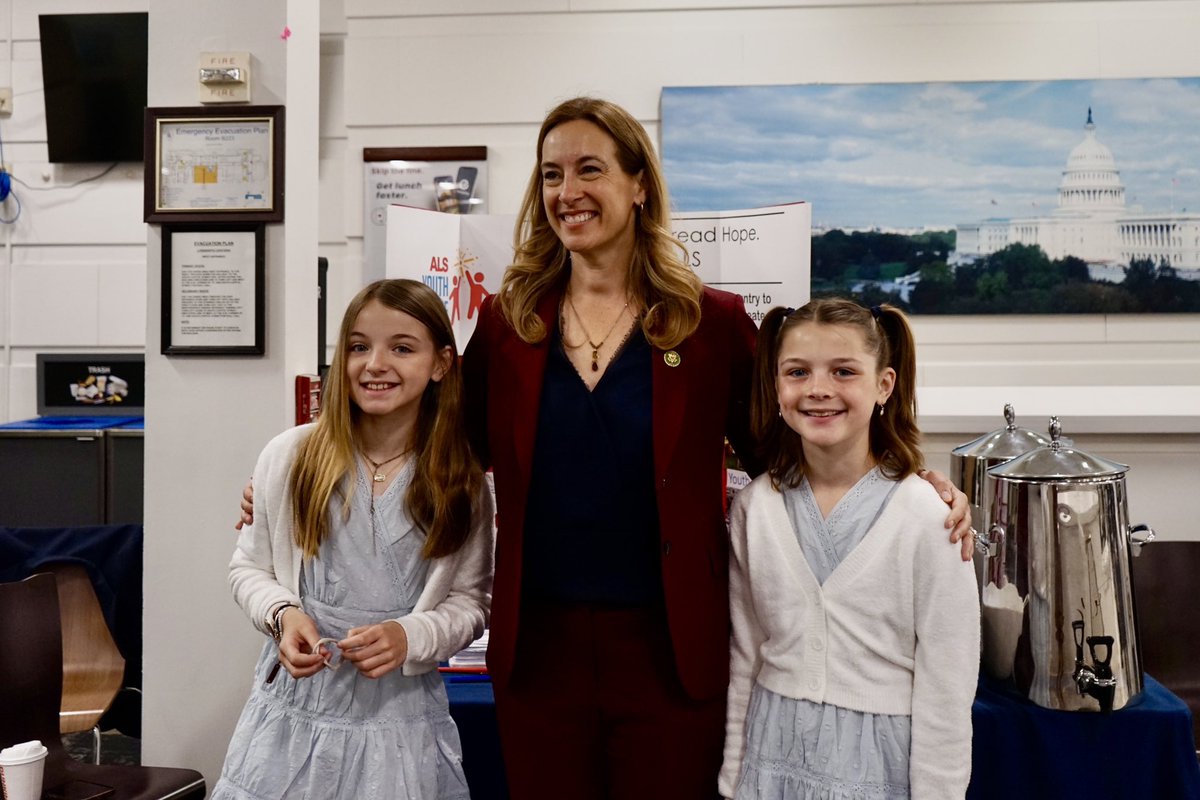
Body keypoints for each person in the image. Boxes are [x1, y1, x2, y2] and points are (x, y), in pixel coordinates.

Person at [237, 98, 973, 800]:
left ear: (639, 186)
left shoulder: (707, 324)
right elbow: (436, 442)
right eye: (552, 174)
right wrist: (294, 471)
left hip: (668, 649)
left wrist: (908, 480)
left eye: (590, 169)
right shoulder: (509, 323)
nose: (568, 191)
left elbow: (788, 447)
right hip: (540, 650)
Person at [214, 279, 495, 800]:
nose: (375, 364)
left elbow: (471, 602)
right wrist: (282, 614)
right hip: (295, 715)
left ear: (441, 364)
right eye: (359, 346)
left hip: (400, 719)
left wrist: (411, 635)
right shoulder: (292, 455)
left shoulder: (460, 478)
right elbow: (248, 567)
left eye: (402, 348)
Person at [720, 299, 981, 800]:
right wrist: (733, 778)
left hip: (879, 765)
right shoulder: (755, 510)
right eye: (797, 372)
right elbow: (744, 655)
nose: (819, 390)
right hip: (771, 757)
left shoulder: (928, 517)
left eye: (843, 371)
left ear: (884, 384)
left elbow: (946, 684)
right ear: (776, 386)